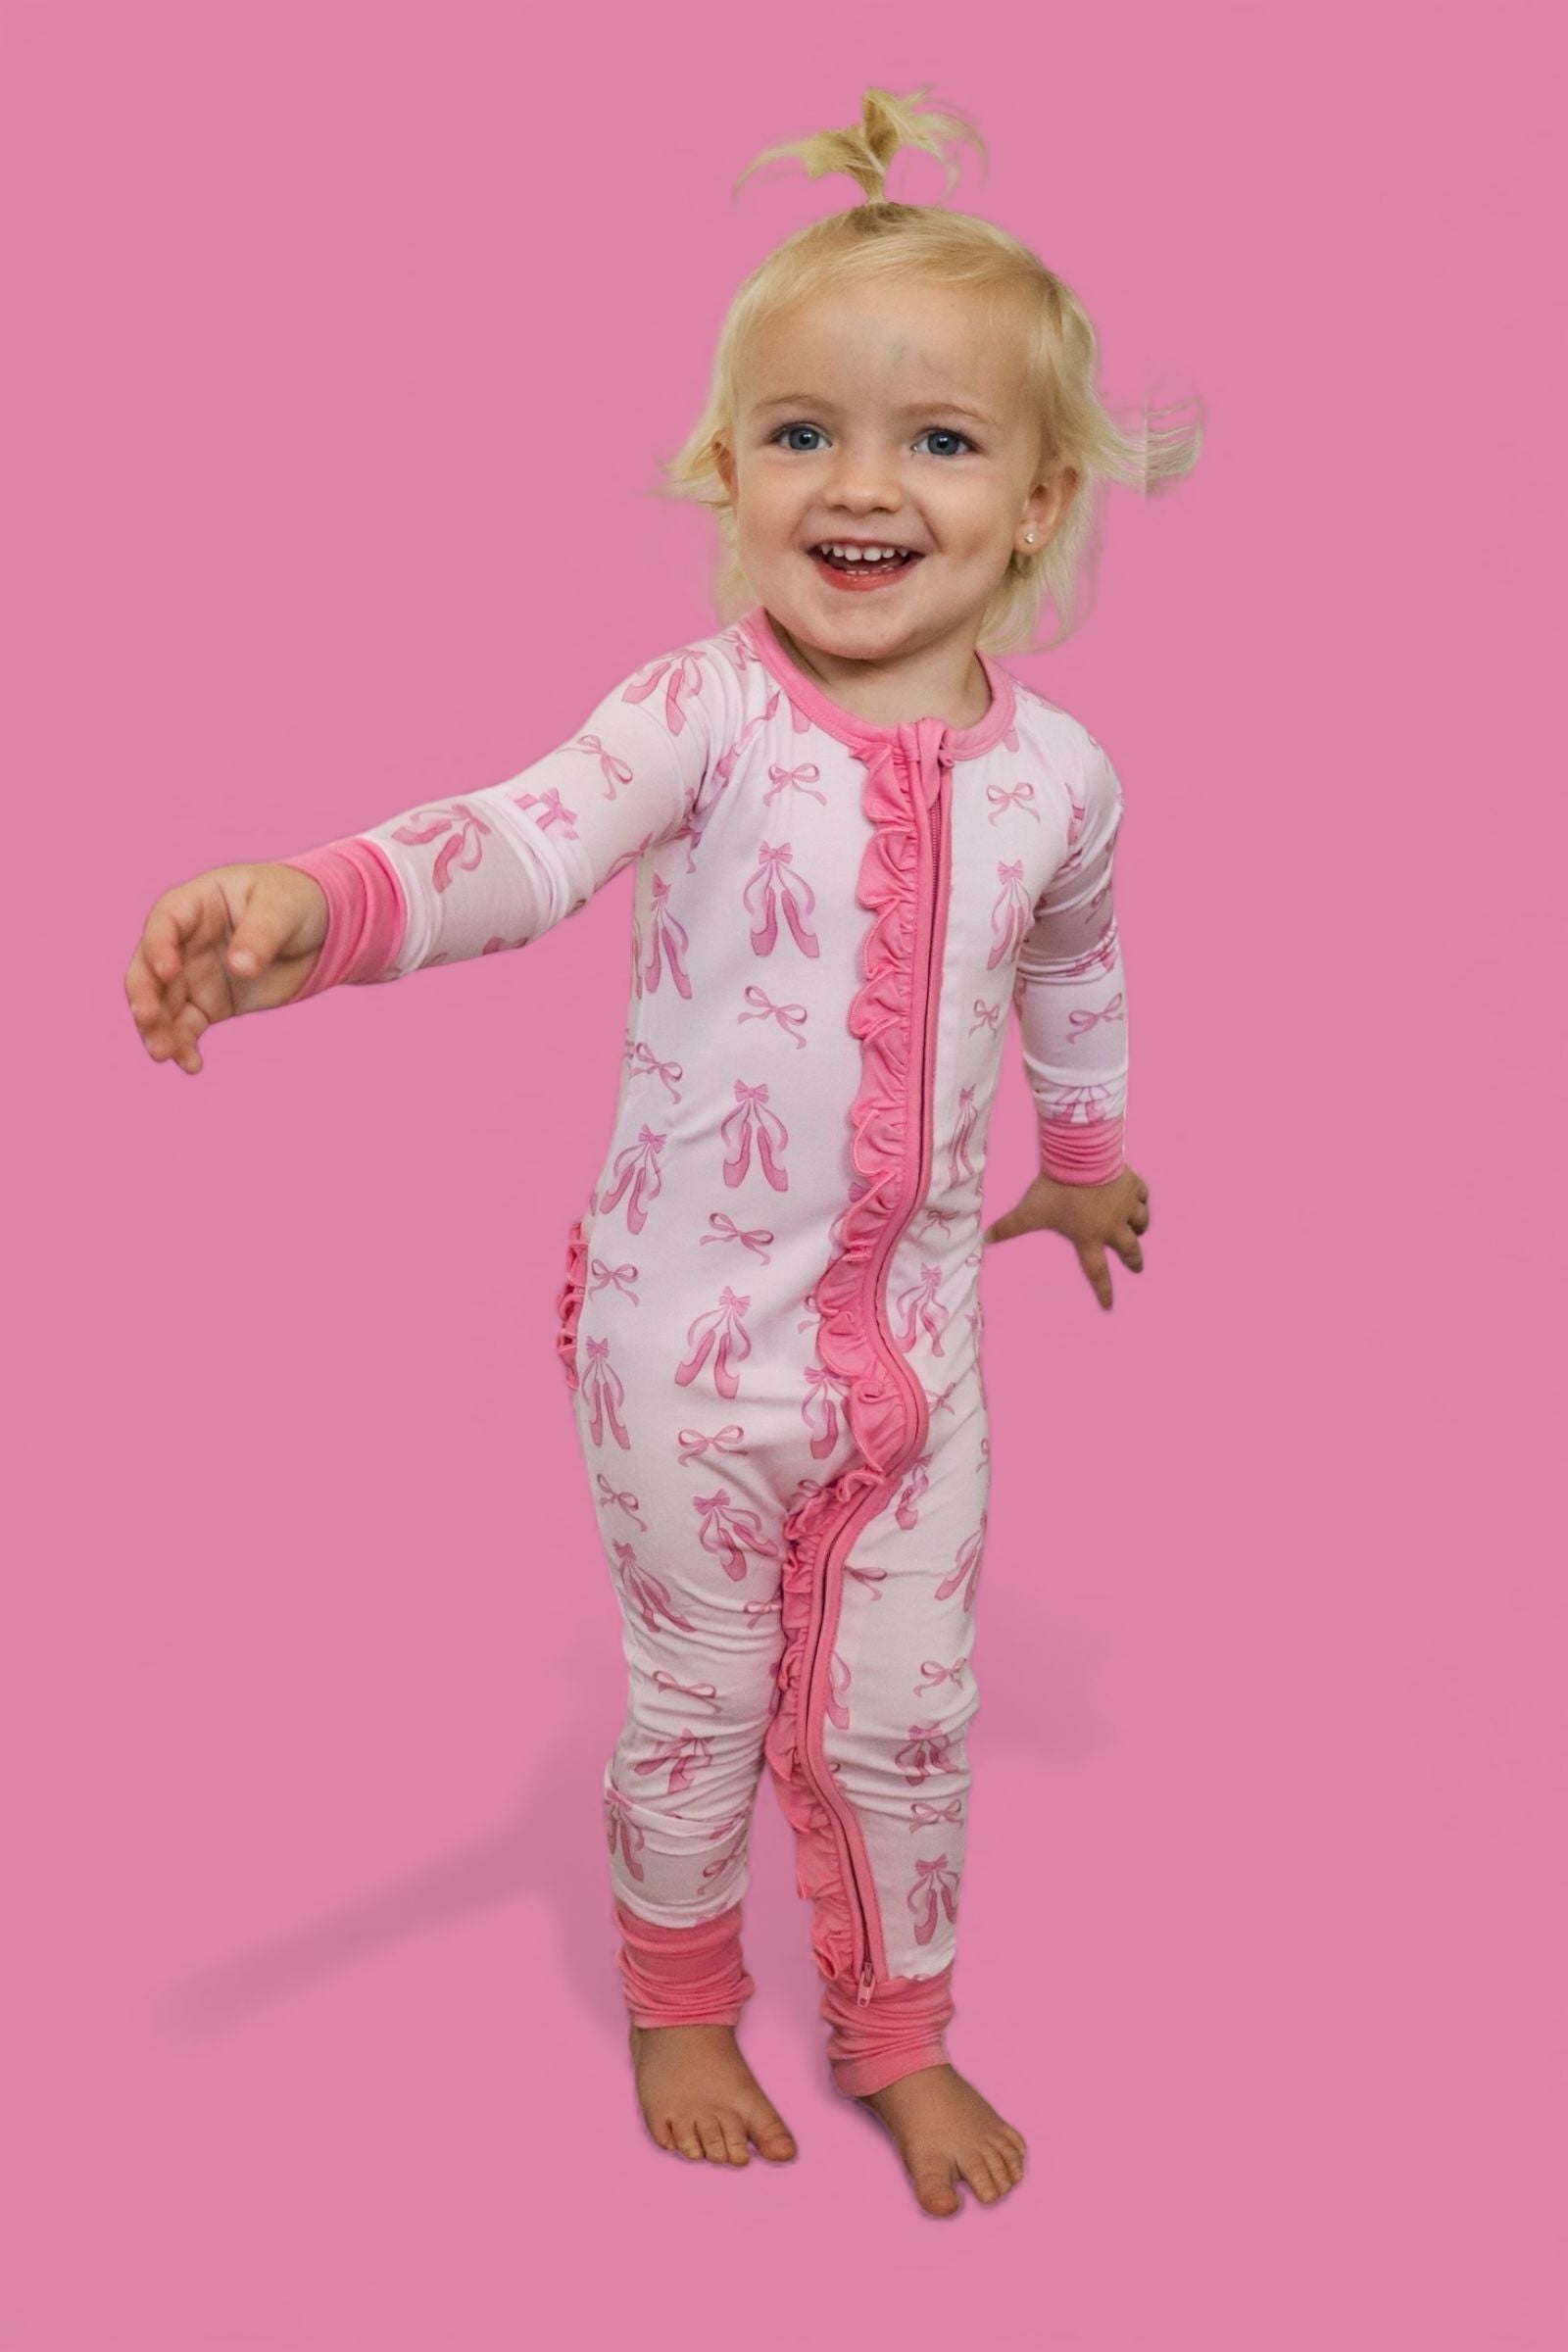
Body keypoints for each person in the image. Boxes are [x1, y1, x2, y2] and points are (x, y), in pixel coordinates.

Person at [124, 83, 1200, 2218]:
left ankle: (899, 2028)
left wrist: (1081, 1154)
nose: (860, 484)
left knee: (910, 1711)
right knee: (700, 1698)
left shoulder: (1061, 778)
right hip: (681, 1351)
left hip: (916, 1356)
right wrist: (309, 908)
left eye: (936, 440)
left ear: (1039, 499)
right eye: (801, 433)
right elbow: (513, 846)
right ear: (726, 470)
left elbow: (1074, 963)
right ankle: (680, 1997)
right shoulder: (698, 716)